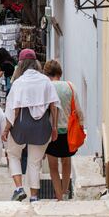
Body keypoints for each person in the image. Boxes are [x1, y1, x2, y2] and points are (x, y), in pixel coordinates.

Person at [2, 49, 60, 203]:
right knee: (34, 162)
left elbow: (14, 110)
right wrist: (54, 128)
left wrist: (7, 129)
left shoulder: (18, 83)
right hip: (42, 127)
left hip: (21, 124)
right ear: (36, 63)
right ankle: (34, 197)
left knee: (13, 154)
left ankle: (19, 188)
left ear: (20, 64)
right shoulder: (46, 81)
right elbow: (54, 107)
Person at [43, 59, 85, 201]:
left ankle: (59, 197)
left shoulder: (46, 87)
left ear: (47, 73)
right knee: (66, 162)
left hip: (51, 131)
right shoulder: (70, 86)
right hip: (68, 132)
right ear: (59, 73)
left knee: (53, 166)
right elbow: (78, 109)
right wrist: (82, 125)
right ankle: (66, 192)